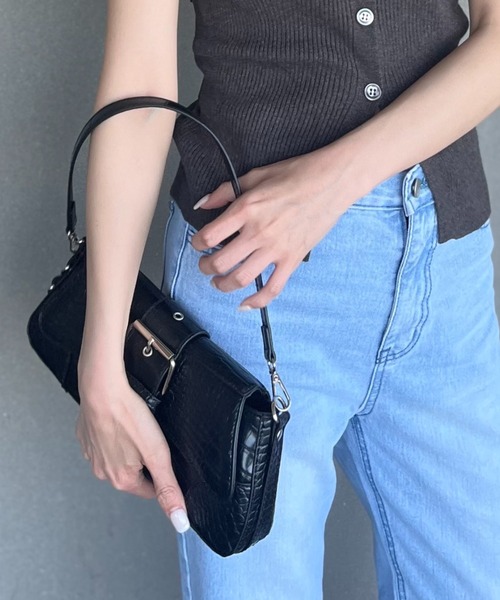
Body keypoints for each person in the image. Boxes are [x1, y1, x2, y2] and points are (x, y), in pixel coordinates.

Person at [75, 0, 500, 597]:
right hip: (246, 286)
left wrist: (333, 181)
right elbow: (138, 92)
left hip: (442, 276)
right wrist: (100, 363)